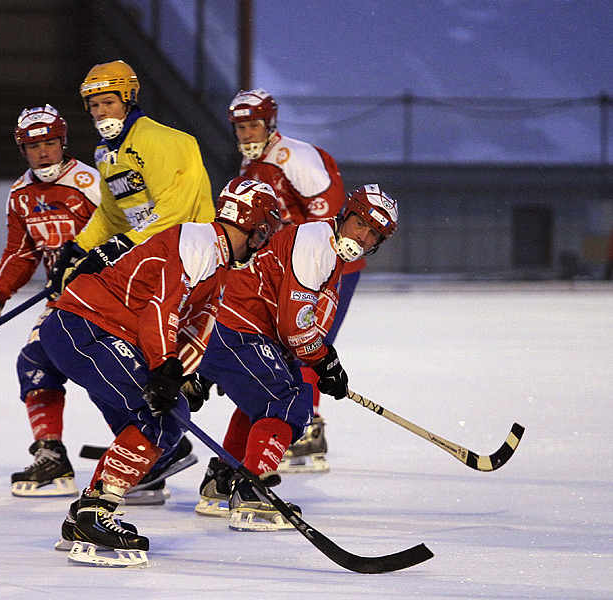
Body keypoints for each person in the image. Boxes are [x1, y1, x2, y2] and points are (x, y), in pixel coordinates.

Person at [39, 176, 281, 567]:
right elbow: (160, 310)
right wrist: (166, 369)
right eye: (266, 229)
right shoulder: (199, 242)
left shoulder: (216, 260)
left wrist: (187, 374)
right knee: (162, 415)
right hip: (84, 324)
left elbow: (195, 325)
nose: (266, 239)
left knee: (166, 418)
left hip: (91, 326)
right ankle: (94, 513)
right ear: (257, 226)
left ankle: (86, 513)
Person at [28, 59, 215, 504]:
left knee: (165, 368)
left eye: (108, 101)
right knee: (109, 364)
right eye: (93, 105)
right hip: (148, 266)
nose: (100, 112)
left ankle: (173, 447)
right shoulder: (106, 153)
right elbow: (114, 213)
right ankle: (146, 451)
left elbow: (172, 212)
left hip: (185, 266)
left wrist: (118, 247)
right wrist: (80, 247)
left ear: (129, 98)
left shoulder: (163, 141)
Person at [192, 184, 399, 532]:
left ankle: (223, 482)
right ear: (345, 215)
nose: (363, 238)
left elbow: (297, 328)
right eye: (361, 224)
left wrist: (323, 360)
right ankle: (252, 492)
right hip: (236, 328)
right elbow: (294, 327)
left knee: (260, 401)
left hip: (231, 328)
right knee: (289, 402)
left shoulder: (327, 252)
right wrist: (324, 362)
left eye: (374, 235)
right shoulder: (317, 243)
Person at [0, 105, 101, 498]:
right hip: (63, 301)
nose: (43, 153)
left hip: (106, 298)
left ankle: (151, 445)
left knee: (102, 372)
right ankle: (51, 454)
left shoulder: (90, 182)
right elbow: (21, 252)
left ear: (63, 142)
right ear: (22, 149)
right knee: (34, 361)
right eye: (34, 146)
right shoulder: (20, 194)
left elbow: (128, 233)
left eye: (49, 143)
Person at [227, 88, 357, 473]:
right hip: (287, 271)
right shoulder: (251, 167)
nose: (248, 134)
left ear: (270, 123)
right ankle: (301, 427)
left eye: (254, 125)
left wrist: (307, 259)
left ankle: (305, 428)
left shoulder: (293, 157)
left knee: (305, 341)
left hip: (320, 267)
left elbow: (329, 215)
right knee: (286, 346)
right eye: (241, 127)